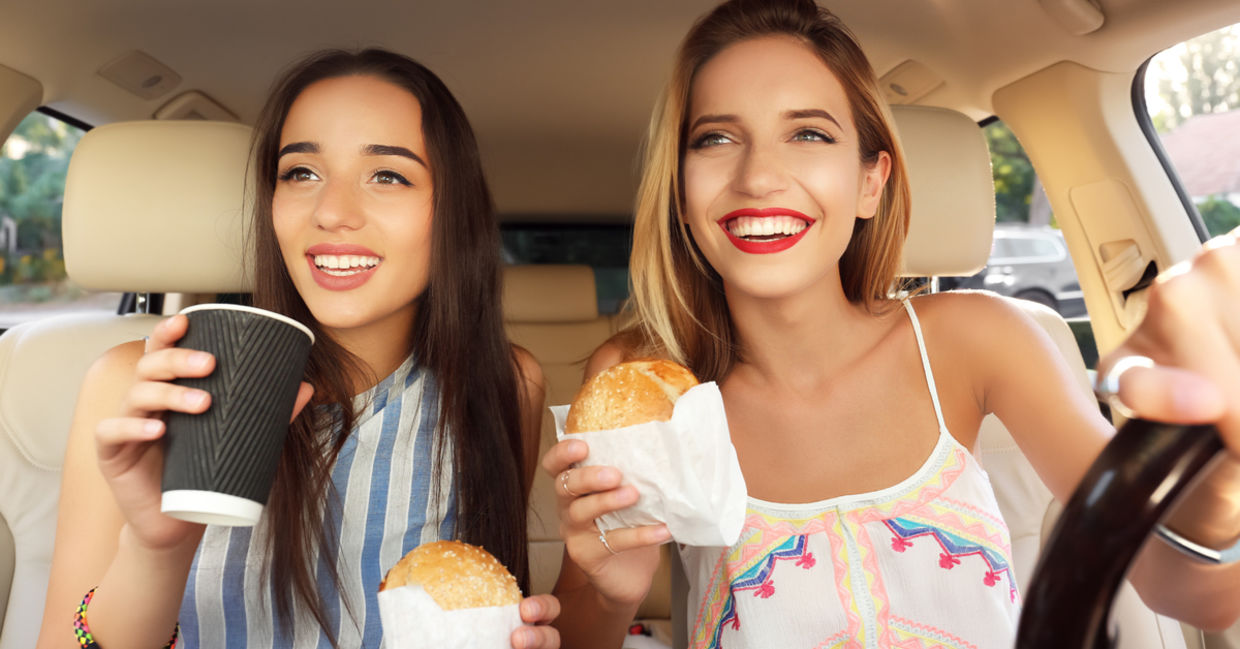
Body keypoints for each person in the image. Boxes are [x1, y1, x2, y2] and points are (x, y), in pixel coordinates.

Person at [542, 1, 1240, 646]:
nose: (758, 176)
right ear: (681, 191)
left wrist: (1222, 468)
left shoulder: (977, 339)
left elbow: (1177, 582)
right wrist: (609, 593)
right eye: (716, 138)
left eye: (808, 133)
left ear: (870, 181)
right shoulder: (639, 386)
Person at [37, 49, 560, 649]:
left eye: (388, 175)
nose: (331, 213)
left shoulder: (504, 385)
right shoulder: (140, 387)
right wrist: (156, 549)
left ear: (453, 213)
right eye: (301, 174)